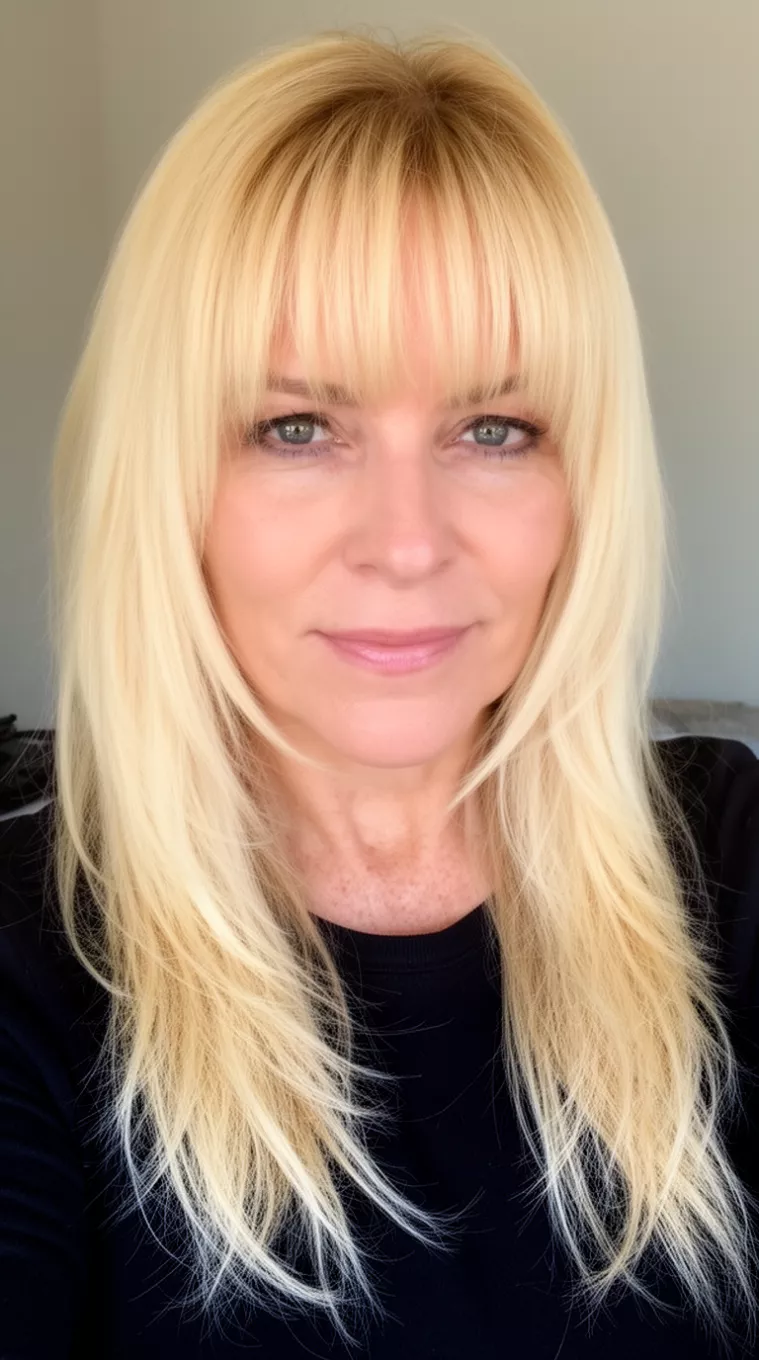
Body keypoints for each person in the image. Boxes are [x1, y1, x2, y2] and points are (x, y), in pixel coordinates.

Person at [0, 25, 757, 1359]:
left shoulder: (730, 857)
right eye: (297, 428)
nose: (407, 543)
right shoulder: (29, 950)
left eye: (494, 430)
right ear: (165, 484)